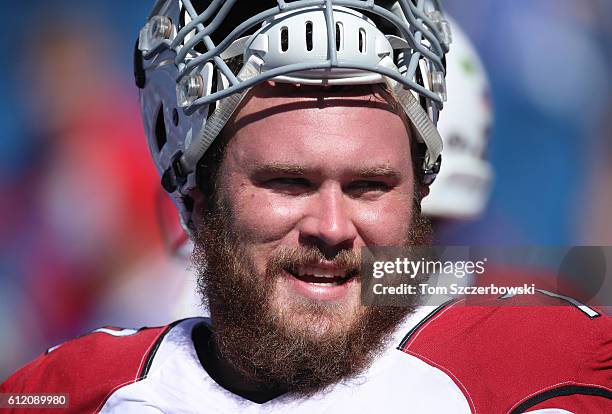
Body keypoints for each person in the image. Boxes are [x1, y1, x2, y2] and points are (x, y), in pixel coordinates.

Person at [2, 1, 611, 413]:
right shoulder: (67, 392)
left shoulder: (554, 367)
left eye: (370, 186)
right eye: (288, 183)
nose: (332, 227)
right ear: (194, 200)